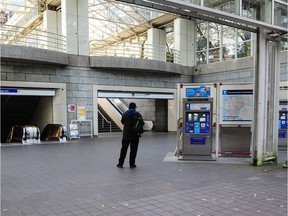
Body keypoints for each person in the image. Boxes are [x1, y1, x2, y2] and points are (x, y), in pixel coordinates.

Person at [117, 102, 144, 169]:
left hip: (126, 135)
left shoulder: (125, 114)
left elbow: (122, 122)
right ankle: (132, 164)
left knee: (124, 149)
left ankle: (120, 164)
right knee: (133, 150)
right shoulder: (137, 114)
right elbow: (142, 123)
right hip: (135, 135)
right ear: (135, 107)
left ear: (129, 107)